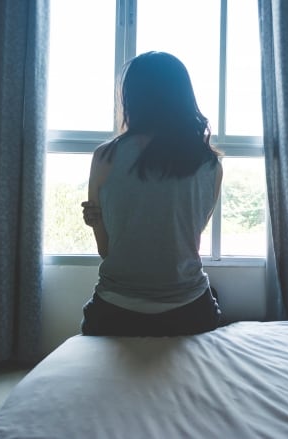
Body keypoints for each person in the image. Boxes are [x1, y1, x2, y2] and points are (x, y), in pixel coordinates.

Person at [80, 51, 223, 337]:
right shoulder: (210, 164)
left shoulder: (105, 157)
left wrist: (97, 219)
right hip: (189, 311)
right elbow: (186, 239)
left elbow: (106, 251)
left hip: (116, 311)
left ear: (131, 97)